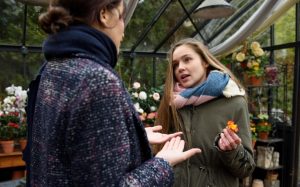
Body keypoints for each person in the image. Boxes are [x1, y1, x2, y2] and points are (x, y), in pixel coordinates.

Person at [24, 1, 201, 186]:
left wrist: (132, 138)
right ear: (105, 14)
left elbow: (66, 149)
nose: (123, 29)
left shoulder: (53, 69)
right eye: (122, 16)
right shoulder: (97, 80)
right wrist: (163, 163)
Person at [155, 38, 256, 187]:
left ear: (205, 62)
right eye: (175, 64)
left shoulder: (233, 101)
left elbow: (246, 169)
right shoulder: (171, 103)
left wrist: (232, 151)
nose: (180, 68)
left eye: (187, 59)